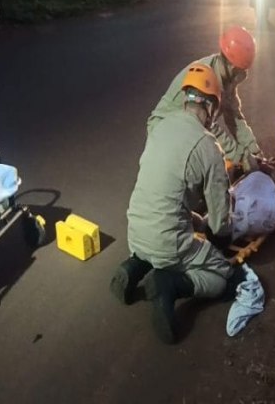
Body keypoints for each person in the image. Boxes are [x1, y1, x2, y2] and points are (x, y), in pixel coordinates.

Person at [110, 62, 240, 344]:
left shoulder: (160, 128)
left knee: (176, 220)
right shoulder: (208, 147)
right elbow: (219, 223)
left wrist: (195, 221)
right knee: (224, 278)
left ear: (185, 98)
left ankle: (135, 266)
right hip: (167, 242)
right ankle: (171, 284)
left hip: (136, 230)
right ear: (213, 108)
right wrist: (217, 240)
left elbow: (164, 190)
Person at [147, 25, 261, 171]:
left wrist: (254, 151)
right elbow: (208, 127)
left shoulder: (225, 76)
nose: (244, 73)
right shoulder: (205, 79)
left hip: (188, 128)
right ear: (233, 68)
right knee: (206, 171)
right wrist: (240, 156)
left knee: (218, 163)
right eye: (242, 70)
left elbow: (234, 117)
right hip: (165, 130)